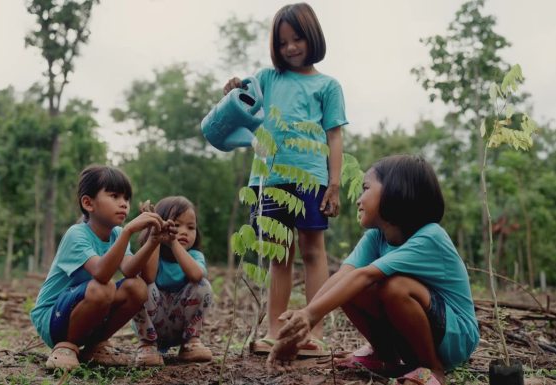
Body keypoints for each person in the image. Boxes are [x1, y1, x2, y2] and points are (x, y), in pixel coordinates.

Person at [268, 155, 480, 385]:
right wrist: (304, 318)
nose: (359, 200)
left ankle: (432, 369)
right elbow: (343, 276)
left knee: (395, 287)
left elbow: (365, 275)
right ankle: (385, 357)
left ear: (395, 191)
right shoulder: (375, 237)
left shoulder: (430, 236)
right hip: (416, 334)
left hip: (456, 338)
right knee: (347, 286)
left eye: (366, 188)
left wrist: (308, 317)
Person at [222, 2, 348, 357]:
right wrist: (232, 88)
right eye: (283, 42)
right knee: (279, 254)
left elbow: (334, 136)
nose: (291, 47)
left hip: (310, 178)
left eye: (298, 39)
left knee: (312, 250)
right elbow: (240, 103)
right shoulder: (267, 78)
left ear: (313, 38)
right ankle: (276, 329)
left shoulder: (328, 86)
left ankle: (313, 329)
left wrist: (334, 184)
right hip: (269, 177)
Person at [30, 165, 176, 370]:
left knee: (137, 287)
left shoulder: (115, 234)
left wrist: (153, 241)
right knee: (103, 286)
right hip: (52, 318)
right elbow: (101, 273)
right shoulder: (77, 234)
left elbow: (135, 273)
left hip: (85, 307)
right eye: (114, 196)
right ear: (88, 203)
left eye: (126, 198)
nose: (124, 204)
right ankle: (66, 347)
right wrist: (128, 232)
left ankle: (93, 347)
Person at [131, 196, 213, 366]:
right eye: (176, 225)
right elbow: (148, 278)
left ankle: (191, 342)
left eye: (191, 227)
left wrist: (173, 241)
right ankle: (147, 345)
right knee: (138, 286)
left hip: (182, 328)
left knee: (203, 285)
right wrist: (155, 237)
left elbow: (196, 276)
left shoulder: (195, 256)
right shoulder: (153, 253)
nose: (184, 231)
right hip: (152, 326)